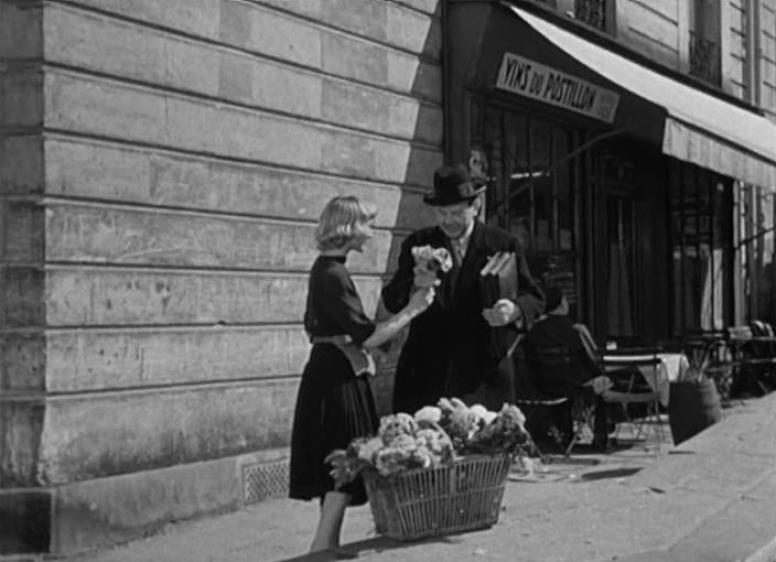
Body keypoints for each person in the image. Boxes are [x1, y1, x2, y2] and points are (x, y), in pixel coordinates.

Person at [288, 196, 435, 555]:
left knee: (342, 453)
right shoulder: (332, 274)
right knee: (347, 453)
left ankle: (328, 541)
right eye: (367, 224)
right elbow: (367, 336)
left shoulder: (328, 269)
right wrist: (413, 309)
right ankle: (322, 544)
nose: (370, 232)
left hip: (333, 368)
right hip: (336, 374)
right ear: (349, 228)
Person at [382, 164, 544, 414]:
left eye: (456, 213)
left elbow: (535, 297)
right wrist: (415, 284)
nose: (448, 221)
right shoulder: (418, 243)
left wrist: (514, 310)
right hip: (425, 375)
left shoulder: (503, 243)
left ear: (475, 206)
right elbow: (391, 300)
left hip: (483, 377)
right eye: (442, 213)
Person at [521, 287, 602, 446]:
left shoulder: (533, 330)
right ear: (561, 304)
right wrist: (598, 372)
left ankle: (561, 431)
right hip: (569, 386)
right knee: (604, 382)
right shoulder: (572, 330)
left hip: (538, 386)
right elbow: (585, 361)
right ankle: (601, 433)